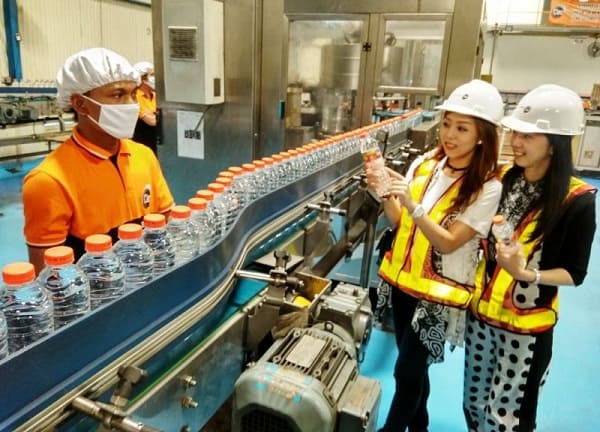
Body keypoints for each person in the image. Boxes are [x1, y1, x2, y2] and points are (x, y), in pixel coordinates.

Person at [370, 79, 505, 432]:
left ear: (482, 136)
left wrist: (413, 205)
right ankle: (421, 428)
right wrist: (384, 193)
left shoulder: (487, 187)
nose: (450, 134)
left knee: (406, 372)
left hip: (437, 297)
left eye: (462, 128)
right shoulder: (424, 164)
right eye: (447, 123)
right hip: (402, 285)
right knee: (415, 370)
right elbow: (399, 222)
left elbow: (448, 243)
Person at [464, 84, 597, 431]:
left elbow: (575, 273)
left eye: (528, 136)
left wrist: (526, 274)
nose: (516, 142)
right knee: (474, 403)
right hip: (481, 315)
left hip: (526, 329)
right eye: (515, 133)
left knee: (507, 417)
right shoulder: (505, 179)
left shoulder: (577, 200)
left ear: (555, 143)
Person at [22, 48, 174, 273]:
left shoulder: (144, 155)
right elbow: (48, 275)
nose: (130, 104)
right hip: (99, 290)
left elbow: (166, 224)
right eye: (117, 95)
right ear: (80, 103)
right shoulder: (49, 181)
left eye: (133, 94)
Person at [132, 61, 159, 154]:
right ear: (143, 79)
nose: (156, 78)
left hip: (157, 143)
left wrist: (153, 115)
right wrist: (158, 116)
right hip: (143, 144)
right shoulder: (135, 97)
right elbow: (152, 121)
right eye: (152, 75)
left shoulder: (156, 95)